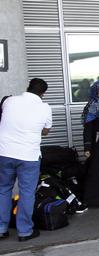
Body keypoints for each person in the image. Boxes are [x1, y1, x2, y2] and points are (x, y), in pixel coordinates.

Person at [0, 78, 51, 242]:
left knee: (3, 189)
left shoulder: (9, 101)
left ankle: (1, 229)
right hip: (28, 156)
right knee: (27, 193)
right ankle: (24, 231)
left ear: (28, 87)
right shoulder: (44, 108)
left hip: (5, 153)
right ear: (43, 93)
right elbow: (45, 131)